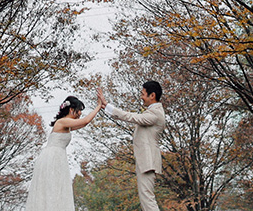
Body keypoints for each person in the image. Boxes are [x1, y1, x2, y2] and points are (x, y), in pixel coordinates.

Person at [24, 94, 103, 211]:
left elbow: (83, 123)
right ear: (71, 110)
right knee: (52, 188)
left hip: (58, 157)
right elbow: (85, 121)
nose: (80, 113)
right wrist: (98, 106)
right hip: (52, 157)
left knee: (58, 189)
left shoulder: (66, 124)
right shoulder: (62, 122)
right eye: (79, 110)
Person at [97, 81, 165, 211]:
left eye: (143, 94)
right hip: (146, 161)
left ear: (152, 95)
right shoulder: (152, 112)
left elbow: (131, 117)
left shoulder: (155, 114)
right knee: (145, 198)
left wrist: (107, 106)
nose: (141, 96)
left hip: (148, 161)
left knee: (147, 198)